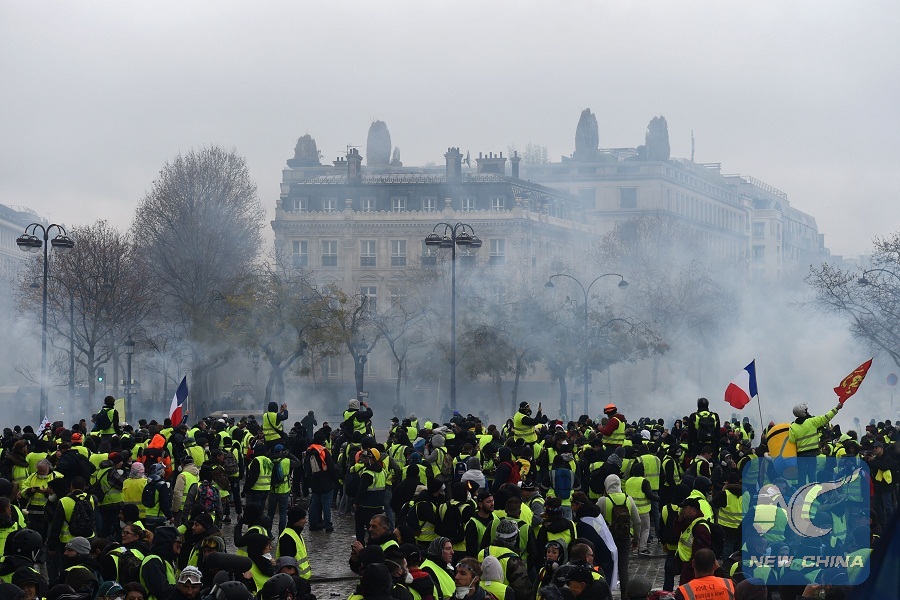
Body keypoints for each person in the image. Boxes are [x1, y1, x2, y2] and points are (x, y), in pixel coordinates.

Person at [789, 401, 842, 486]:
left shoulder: (793, 426)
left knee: (801, 476)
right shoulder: (812, 422)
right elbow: (826, 417)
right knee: (812, 476)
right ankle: (812, 492)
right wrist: (837, 408)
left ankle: (801, 492)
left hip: (800, 455)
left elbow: (792, 440)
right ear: (803, 412)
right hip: (812, 454)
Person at [305, 431, 337, 532]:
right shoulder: (323, 451)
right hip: (326, 481)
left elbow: (306, 468)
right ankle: (328, 525)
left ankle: (312, 524)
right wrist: (334, 479)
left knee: (314, 504)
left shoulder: (309, 451)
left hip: (314, 481)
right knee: (326, 505)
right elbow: (331, 467)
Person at [276, 506, 311, 580]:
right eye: (303, 518)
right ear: (296, 520)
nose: (305, 521)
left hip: (302, 579)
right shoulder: (287, 537)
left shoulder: (296, 533)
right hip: (296, 580)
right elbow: (287, 565)